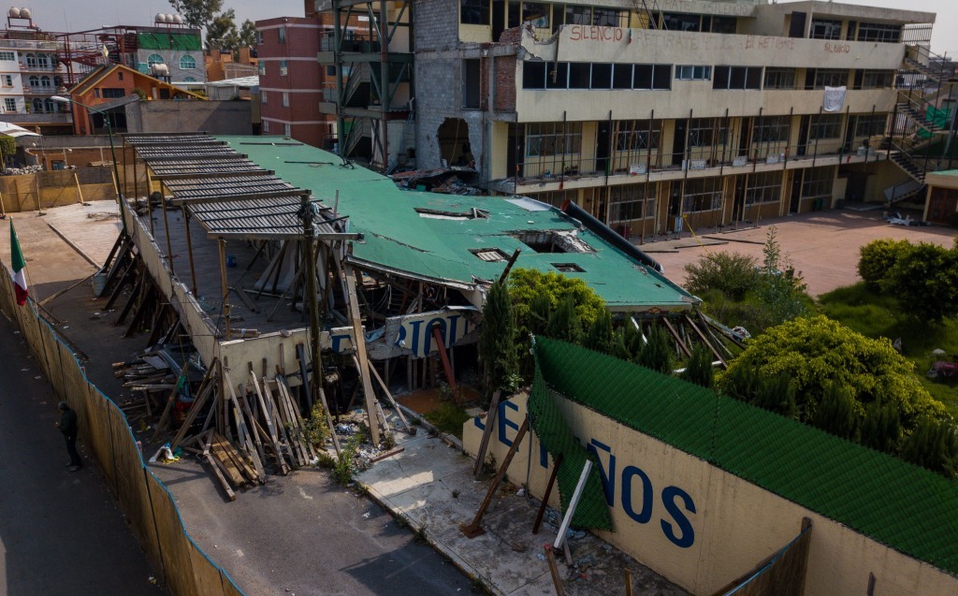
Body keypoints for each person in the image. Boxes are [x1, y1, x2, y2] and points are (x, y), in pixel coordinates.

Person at [56, 401, 82, 471]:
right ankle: (73, 461)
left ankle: (77, 463)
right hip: (73, 432)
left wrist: (59, 426)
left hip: (69, 434)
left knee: (71, 449)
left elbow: (65, 427)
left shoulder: (66, 416)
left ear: (62, 409)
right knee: (71, 447)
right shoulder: (71, 412)